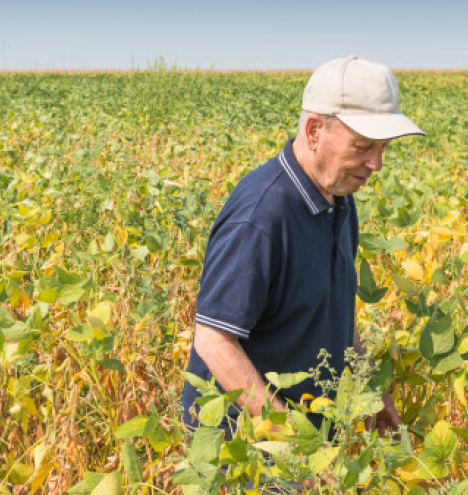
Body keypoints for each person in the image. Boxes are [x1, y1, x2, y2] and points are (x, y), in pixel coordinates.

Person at [181, 55, 425, 437]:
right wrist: (294, 443)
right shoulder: (261, 217)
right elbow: (214, 341)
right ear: (314, 130)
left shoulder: (339, 198)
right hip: (243, 441)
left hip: (309, 432)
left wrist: (370, 390)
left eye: (383, 148)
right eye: (363, 146)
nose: (376, 164)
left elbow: (334, 311)